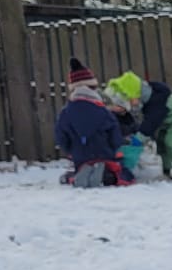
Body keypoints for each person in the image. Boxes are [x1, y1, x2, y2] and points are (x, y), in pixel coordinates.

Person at [55, 61, 130, 189]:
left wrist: (70, 151)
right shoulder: (103, 111)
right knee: (121, 172)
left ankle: (78, 174)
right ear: (93, 87)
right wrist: (114, 149)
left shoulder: (65, 113)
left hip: (80, 155)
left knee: (79, 166)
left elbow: (61, 137)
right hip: (103, 153)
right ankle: (105, 175)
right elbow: (115, 136)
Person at [107, 70, 172, 179]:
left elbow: (150, 124)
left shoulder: (157, 102)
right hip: (166, 120)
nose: (129, 103)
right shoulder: (148, 98)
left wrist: (139, 139)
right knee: (161, 143)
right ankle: (166, 168)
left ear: (136, 95)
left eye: (129, 100)